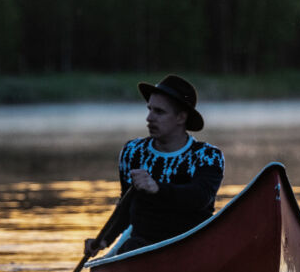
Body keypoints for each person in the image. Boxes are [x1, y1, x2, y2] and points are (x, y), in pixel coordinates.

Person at [86, 74, 224, 257]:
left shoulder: (206, 156)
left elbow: (200, 197)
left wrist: (157, 188)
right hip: (143, 245)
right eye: (149, 109)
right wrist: (104, 239)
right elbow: (127, 206)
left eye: (159, 112)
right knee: (132, 247)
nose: (149, 118)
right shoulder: (133, 151)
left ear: (181, 117)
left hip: (193, 244)